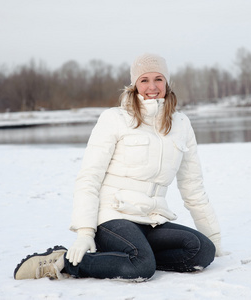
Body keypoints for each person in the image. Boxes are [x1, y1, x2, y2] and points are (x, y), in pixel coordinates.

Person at [14, 53, 222, 281]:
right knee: (141, 267)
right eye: (144, 80)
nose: (152, 87)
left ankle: (119, 258)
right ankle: (65, 263)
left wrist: (214, 238)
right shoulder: (114, 119)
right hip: (113, 216)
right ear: (134, 85)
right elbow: (89, 177)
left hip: (151, 218)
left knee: (203, 250)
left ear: (167, 82)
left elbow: (193, 187)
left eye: (158, 79)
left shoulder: (181, 124)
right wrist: (85, 232)